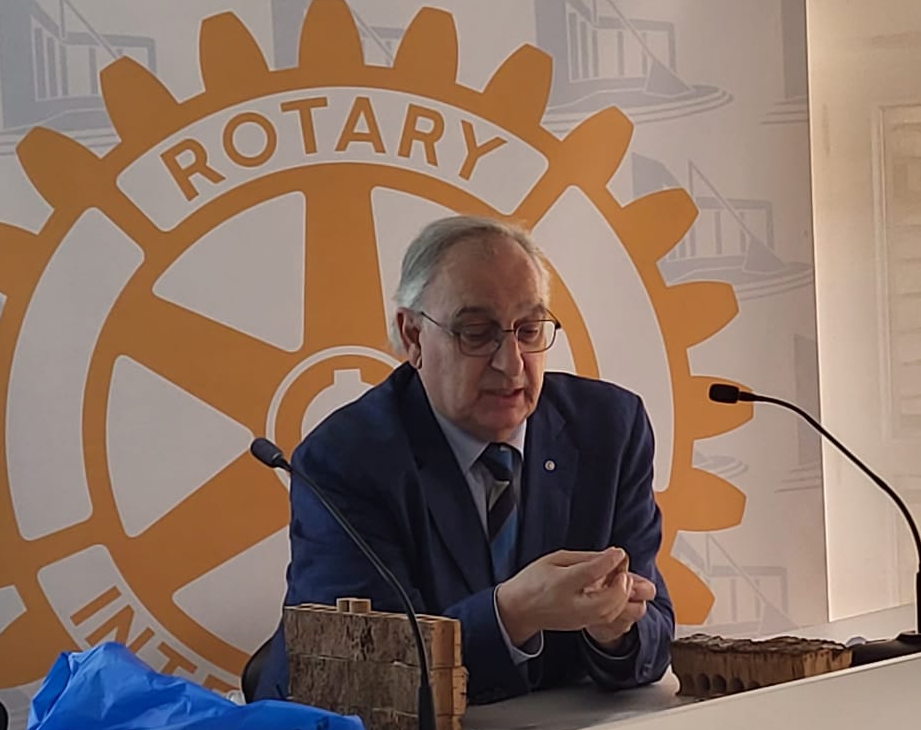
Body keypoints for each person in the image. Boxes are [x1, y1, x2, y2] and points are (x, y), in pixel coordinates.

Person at [247, 215, 674, 705]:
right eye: (476, 332)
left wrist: (615, 634)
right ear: (412, 337)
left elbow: (653, 632)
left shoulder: (608, 429)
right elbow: (360, 673)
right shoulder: (345, 459)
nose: (511, 363)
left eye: (530, 330)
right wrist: (511, 614)